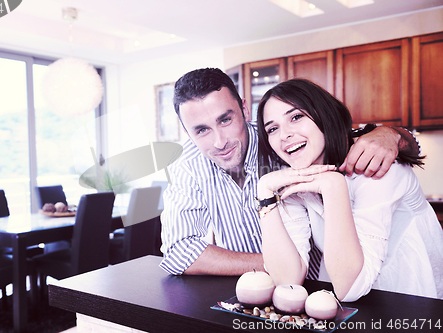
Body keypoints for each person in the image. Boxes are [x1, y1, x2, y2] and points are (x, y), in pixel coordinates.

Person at [159, 67, 421, 276]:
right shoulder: (188, 165)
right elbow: (178, 252)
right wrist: (283, 264)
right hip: (256, 288)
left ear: (244, 109)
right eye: (201, 130)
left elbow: (345, 135)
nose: (219, 142)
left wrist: (393, 135)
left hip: (323, 285)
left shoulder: (285, 144)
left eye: (225, 120)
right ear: (187, 132)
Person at [256, 78, 443, 301]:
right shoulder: (299, 177)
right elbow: (287, 280)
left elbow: (350, 288)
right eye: (273, 128)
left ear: (324, 115)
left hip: (411, 298)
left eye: (296, 117)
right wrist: (265, 193)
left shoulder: (376, 166)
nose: (284, 135)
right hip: (359, 306)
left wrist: (333, 184)